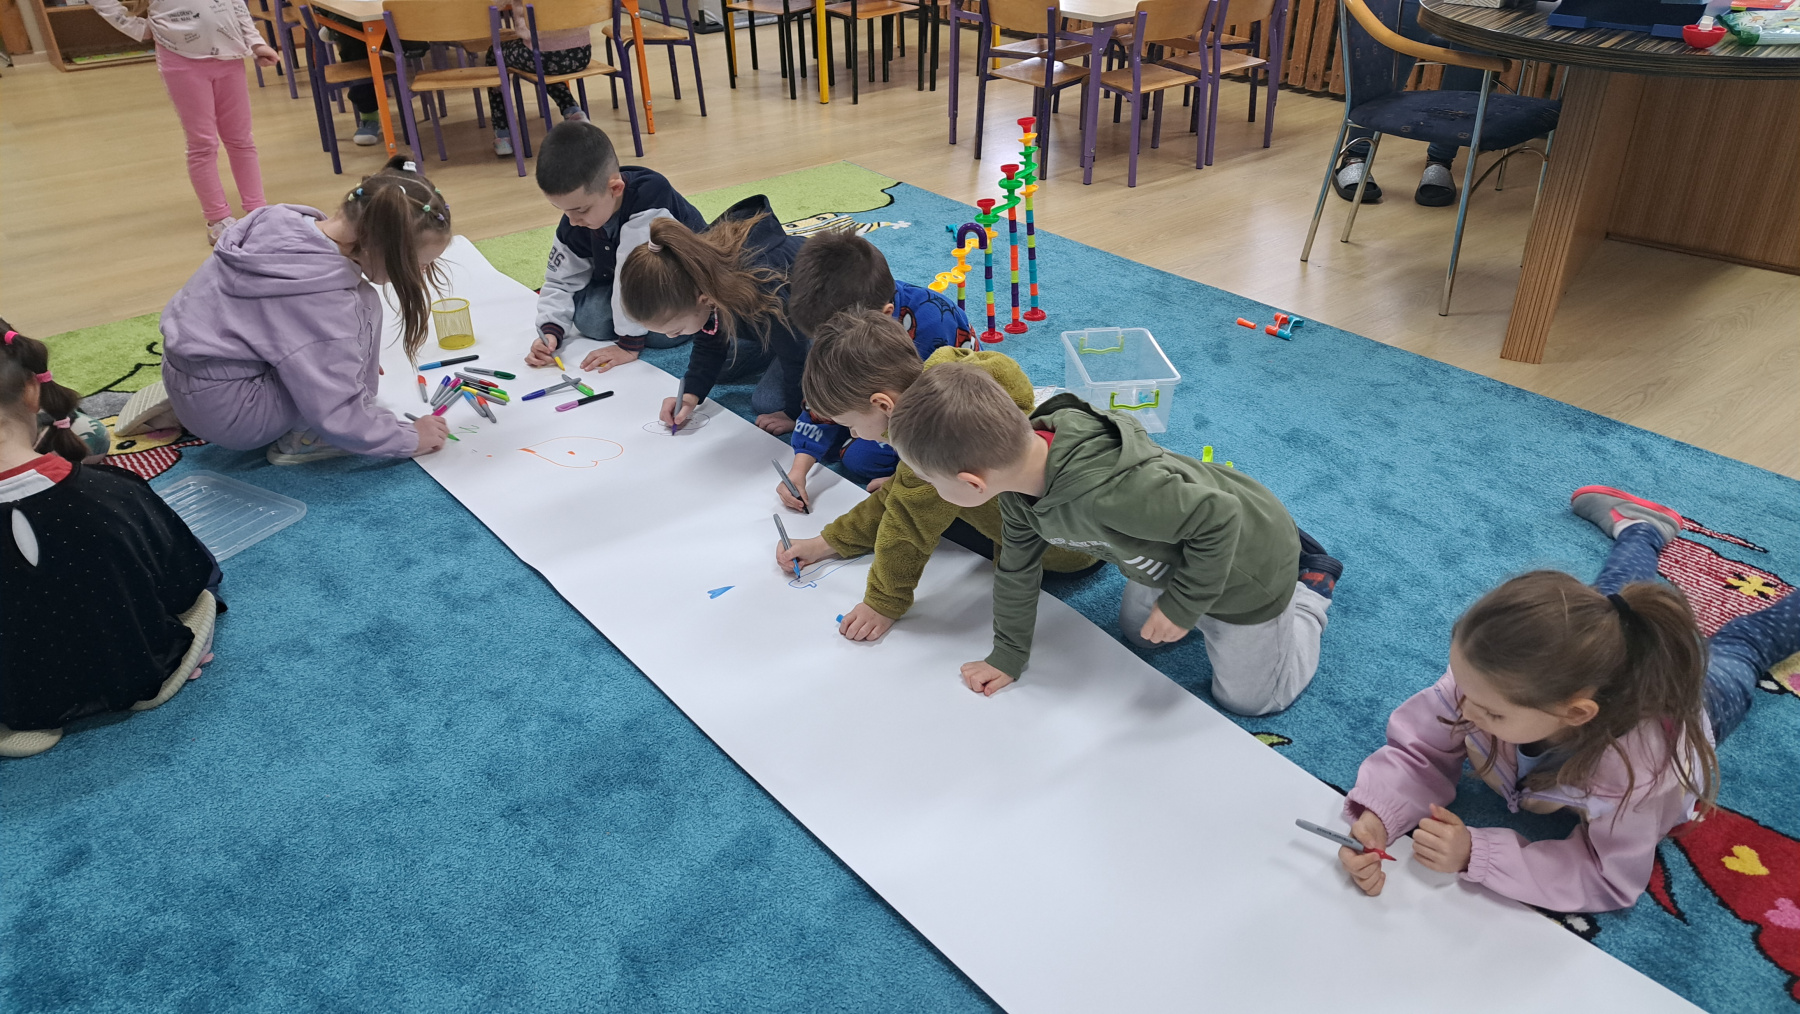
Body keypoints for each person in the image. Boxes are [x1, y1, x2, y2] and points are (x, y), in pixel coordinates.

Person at [1338, 487, 1799, 912]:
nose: (1464, 709)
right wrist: (1382, 814)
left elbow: (1609, 876)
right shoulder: (1488, 683)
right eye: (1461, 685)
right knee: (1614, 602)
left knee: (1745, 645)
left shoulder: (1637, 772)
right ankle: (1643, 528)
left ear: (1575, 713)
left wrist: (1478, 854)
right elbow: (1419, 750)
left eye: (1491, 712)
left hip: (1695, 701)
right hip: (1575, 669)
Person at [886, 365, 1343, 713]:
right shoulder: (1018, 485)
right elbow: (1016, 571)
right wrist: (1007, 654)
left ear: (972, 483)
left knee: (1251, 701)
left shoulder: (1110, 494)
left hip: (1247, 563)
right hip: (1168, 546)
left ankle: (1309, 591)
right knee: (1139, 636)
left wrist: (1182, 606)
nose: (927, 488)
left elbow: (1221, 517)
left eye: (928, 480)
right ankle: (1191, 581)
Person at [777, 310, 1096, 642]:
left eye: (851, 425)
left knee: (912, 505)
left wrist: (883, 603)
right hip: (1071, 511)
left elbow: (905, 529)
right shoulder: (957, 379)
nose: (854, 434)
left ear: (884, 405)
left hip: (1060, 552)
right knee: (910, 491)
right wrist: (827, 543)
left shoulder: (938, 440)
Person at [124, 157, 451, 464]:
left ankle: (200, 403)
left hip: (188, 373)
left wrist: (340, 355)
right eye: (419, 264)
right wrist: (408, 438)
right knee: (357, 315)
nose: (421, 272)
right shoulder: (327, 302)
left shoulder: (279, 221)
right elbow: (338, 410)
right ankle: (306, 438)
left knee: (350, 318)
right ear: (382, 246)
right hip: (238, 416)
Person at [0, 324, 221, 759]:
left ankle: (28, 715)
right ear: (32, 391)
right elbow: (184, 576)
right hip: (134, 668)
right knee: (197, 590)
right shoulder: (113, 491)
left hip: (16, 699)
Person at [779, 229, 973, 509]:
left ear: (885, 315)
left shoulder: (936, 328)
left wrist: (914, 479)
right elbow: (826, 391)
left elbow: (956, 419)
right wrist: (799, 467)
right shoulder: (841, 326)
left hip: (938, 415)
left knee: (861, 457)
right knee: (849, 433)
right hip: (879, 402)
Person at [523, 123, 706, 374]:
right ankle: (636, 326)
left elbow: (635, 277)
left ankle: (642, 329)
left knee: (667, 331)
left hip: (677, 283)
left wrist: (629, 345)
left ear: (615, 188)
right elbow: (559, 281)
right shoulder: (577, 220)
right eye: (564, 211)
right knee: (591, 319)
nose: (572, 220)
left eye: (581, 210)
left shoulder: (651, 196)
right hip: (623, 284)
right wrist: (550, 331)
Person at [90, 0, 278, 243]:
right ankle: (217, 218)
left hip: (230, 56)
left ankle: (257, 211)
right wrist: (134, 27)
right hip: (181, 61)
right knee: (203, 143)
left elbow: (236, 4)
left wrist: (256, 43)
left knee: (241, 138)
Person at [618, 196, 808, 437]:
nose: (672, 337)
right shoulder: (702, 281)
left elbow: (796, 353)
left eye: (676, 330)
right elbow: (710, 337)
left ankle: (780, 344)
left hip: (824, 320)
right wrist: (690, 394)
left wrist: (793, 413)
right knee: (721, 367)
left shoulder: (765, 287)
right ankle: (774, 342)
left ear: (704, 300)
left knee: (768, 401)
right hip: (778, 322)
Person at [486, 0, 594, 158]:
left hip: (543, 56)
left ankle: (502, 134)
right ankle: (572, 111)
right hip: (582, 54)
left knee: (495, 54)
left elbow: (495, 3)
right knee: (544, 63)